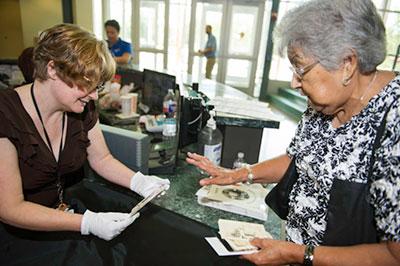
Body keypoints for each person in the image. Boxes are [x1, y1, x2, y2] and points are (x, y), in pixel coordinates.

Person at [187, 0, 400, 265]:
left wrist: (297, 254)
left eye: (301, 68)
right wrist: (239, 174)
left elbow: (394, 255)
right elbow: (297, 159)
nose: (293, 83)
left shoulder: (394, 119)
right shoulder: (325, 103)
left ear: (347, 64)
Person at [0, 23, 169, 264]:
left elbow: (102, 159)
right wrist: (88, 223)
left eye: (97, 86)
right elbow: (10, 208)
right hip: (19, 232)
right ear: (53, 70)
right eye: (87, 85)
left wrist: (141, 182)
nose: (94, 96)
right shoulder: (5, 114)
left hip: (61, 212)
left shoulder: (81, 108)